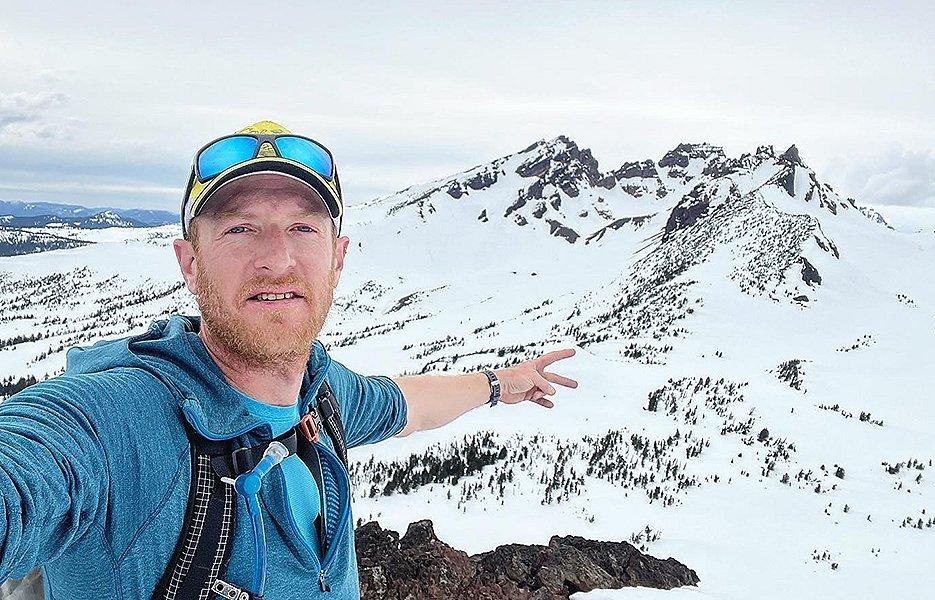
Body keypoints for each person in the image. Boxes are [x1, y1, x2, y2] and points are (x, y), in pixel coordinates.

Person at [0, 120, 578, 599]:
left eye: (302, 228)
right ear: (190, 262)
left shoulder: (320, 396)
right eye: (240, 229)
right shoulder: (119, 421)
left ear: (338, 258)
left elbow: (407, 404)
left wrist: (502, 383)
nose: (277, 260)